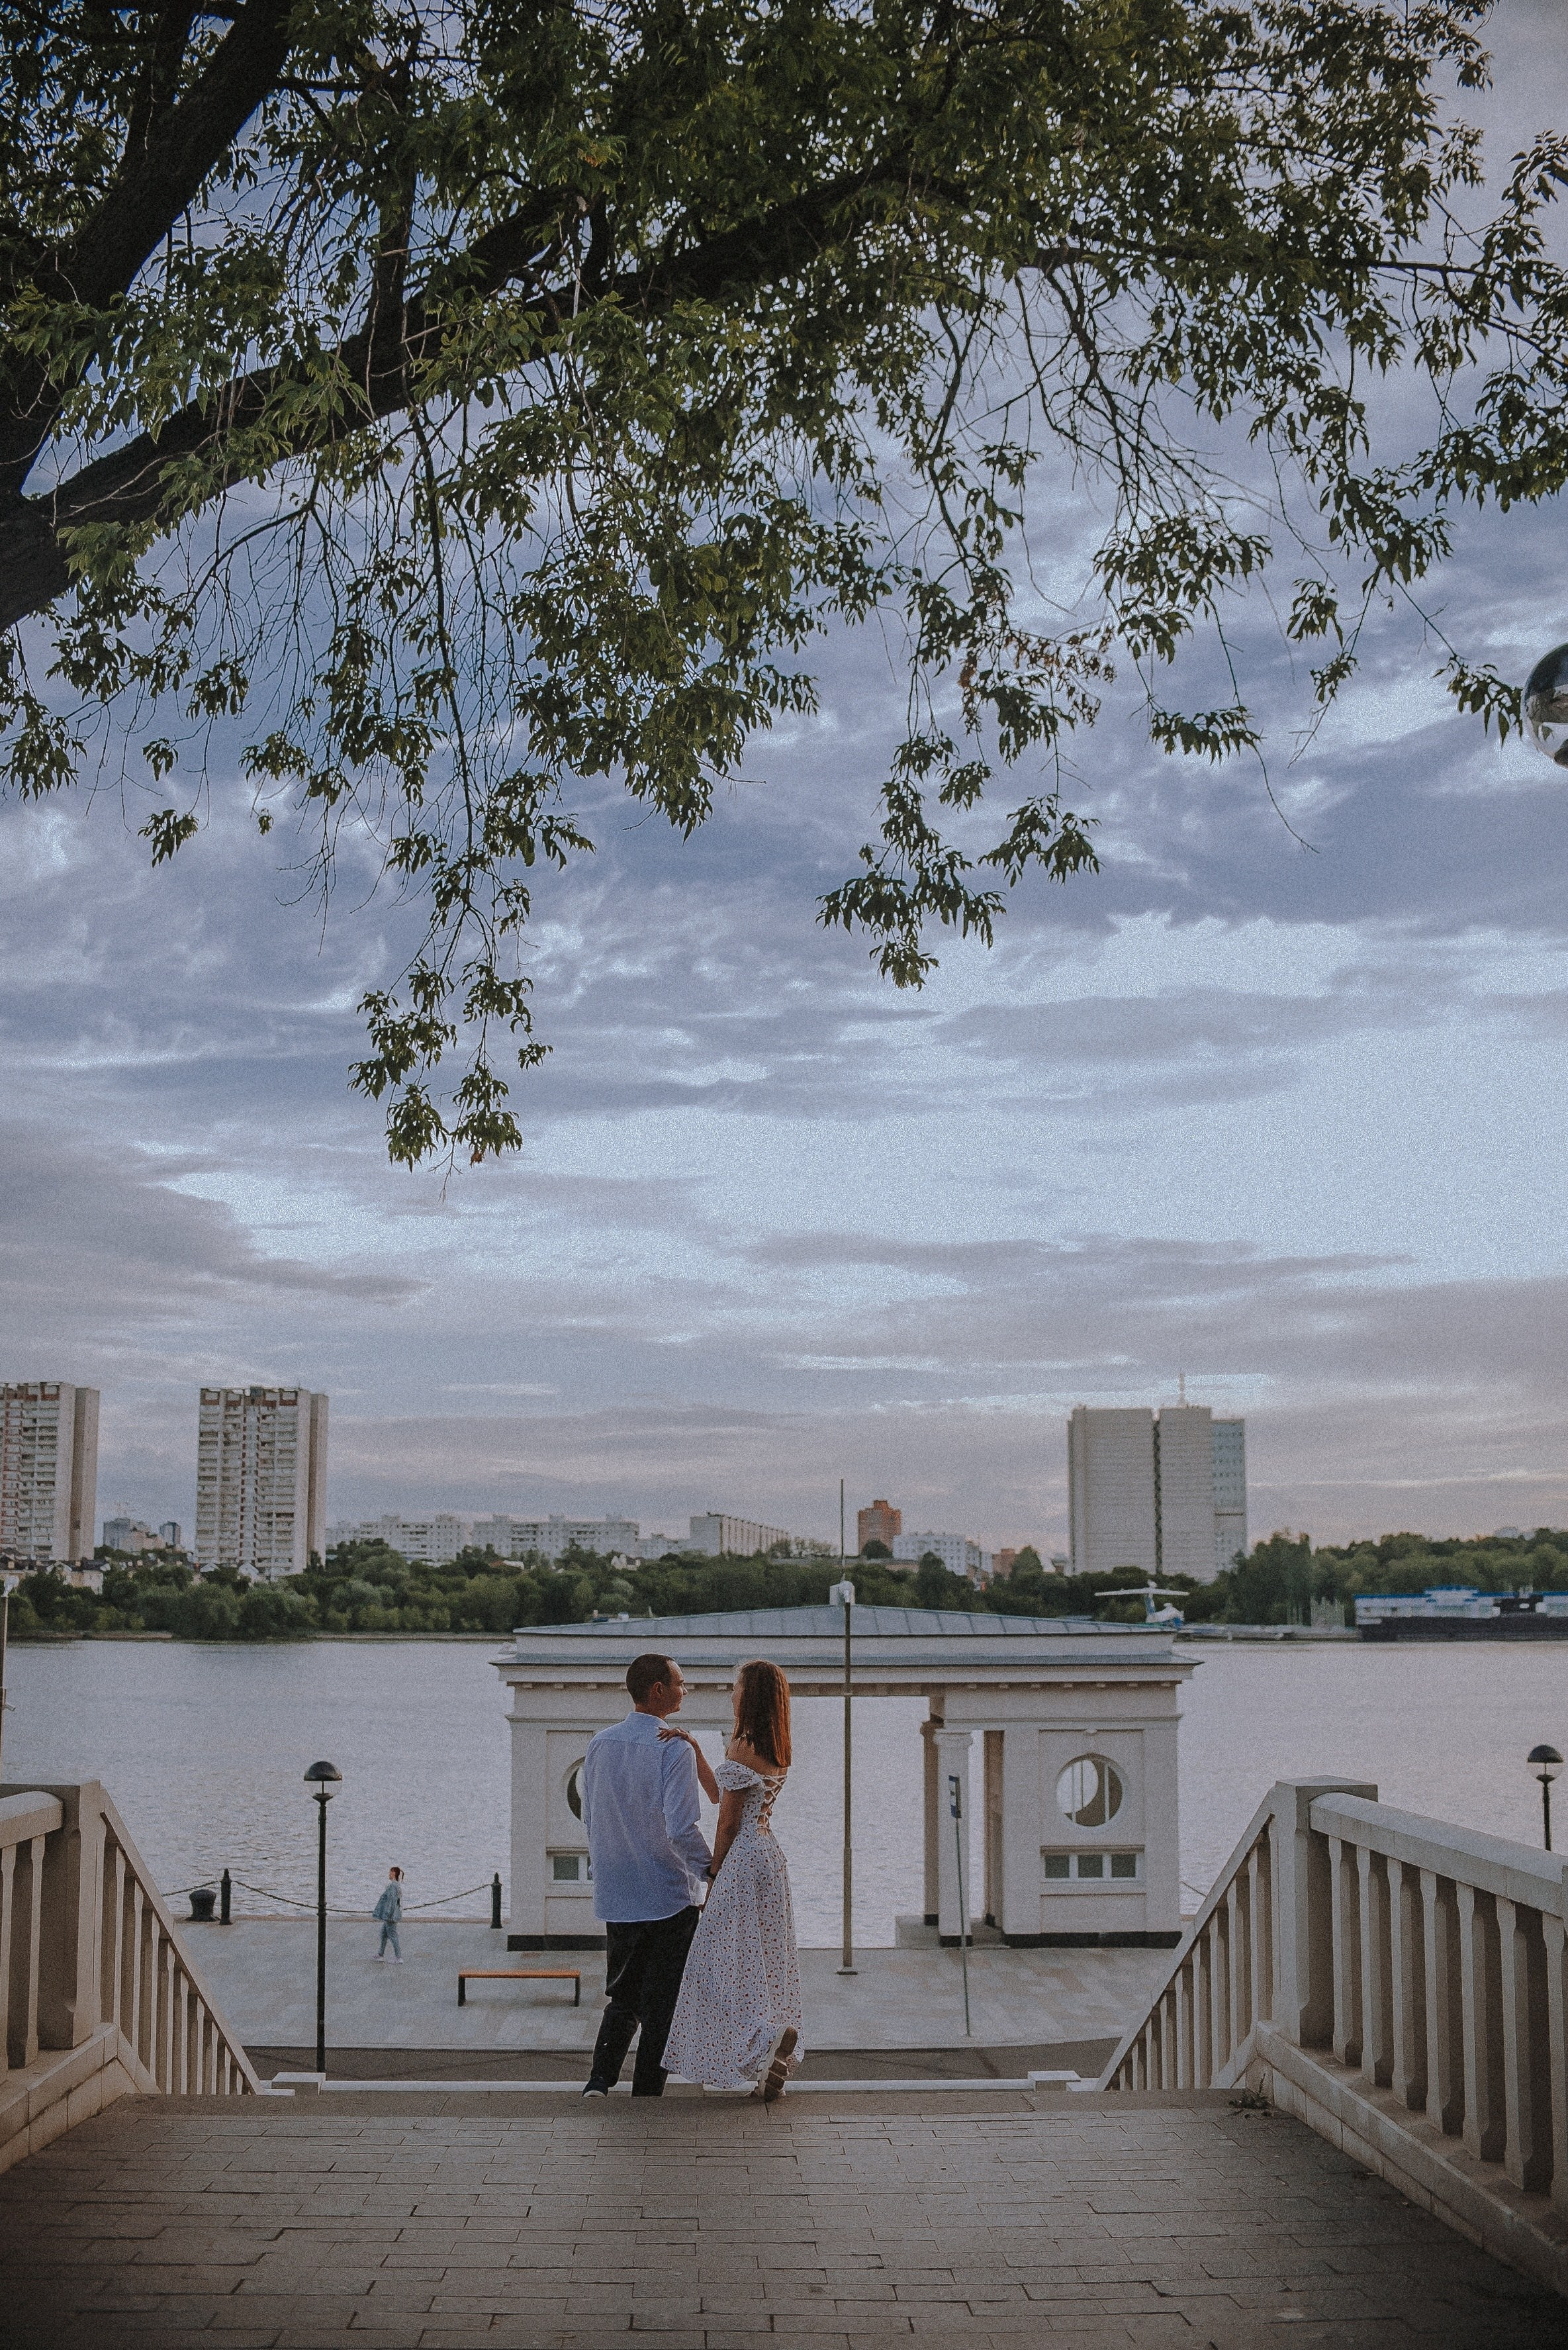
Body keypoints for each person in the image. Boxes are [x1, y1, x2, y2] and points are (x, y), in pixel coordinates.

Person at [661, 1658, 801, 2102]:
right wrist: (699, 1753)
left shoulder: (742, 1746)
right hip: (768, 1855)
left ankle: (762, 2041)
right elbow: (727, 1796)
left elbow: (725, 1823)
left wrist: (714, 1875)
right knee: (758, 1957)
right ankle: (765, 2047)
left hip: (741, 1858)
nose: (731, 1693)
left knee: (718, 1964)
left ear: (750, 1693)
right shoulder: (776, 1745)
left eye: (735, 1686)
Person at [580, 1652, 712, 2098]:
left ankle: (598, 2082)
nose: (685, 1689)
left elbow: (591, 1816)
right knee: (663, 2008)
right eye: (680, 1681)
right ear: (657, 1690)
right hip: (666, 1895)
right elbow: (679, 1827)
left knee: (623, 1995)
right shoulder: (670, 1748)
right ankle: (646, 2094)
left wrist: (601, 1869)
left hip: (617, 1893)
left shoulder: (600, 1743)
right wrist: (709, 1868)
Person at [372, 1865, 404, 1961]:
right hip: (392, 1915)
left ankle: (399, 1958)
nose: (389, 1874)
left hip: (390, 1916)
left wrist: (387, 1914)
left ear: (394, 1873)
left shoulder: (393, 1886)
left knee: (393, 1935)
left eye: (390, 1872)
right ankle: (380, 1955)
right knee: (384, 1934)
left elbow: (391, 1901)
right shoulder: (396, 1885)